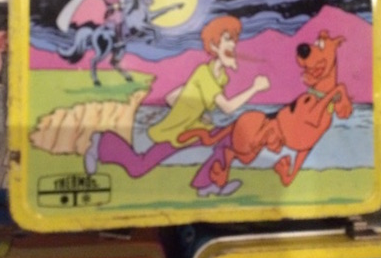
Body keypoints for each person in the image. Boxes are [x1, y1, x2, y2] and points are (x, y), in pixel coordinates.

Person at [84, 15, 270, 196]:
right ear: (214, 45)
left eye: (234, 40)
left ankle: (209, 184)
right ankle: (102, 142)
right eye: (227, 39)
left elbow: (171, 97)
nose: (233, 45)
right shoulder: (204, 74)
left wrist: (197, 113)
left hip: (193, 128)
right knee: (138, 167)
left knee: (225, 138)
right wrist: (254, 88)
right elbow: (227, 108)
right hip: (176, 132)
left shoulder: (220, 77)